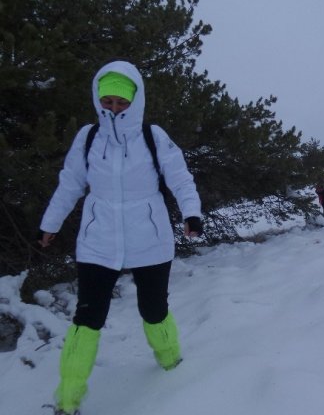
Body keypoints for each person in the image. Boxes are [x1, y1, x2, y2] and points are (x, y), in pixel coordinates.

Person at [37, 60, 203, 415]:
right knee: (87, 317)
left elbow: (181, 178)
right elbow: (70, 184)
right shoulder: (88, 137)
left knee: (154, 309)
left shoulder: (152, 136)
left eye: (121, 101)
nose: (113, 107)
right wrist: (50, 223)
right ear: (98, 99)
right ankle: (67, 400)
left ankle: (173, 366)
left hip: (151, 239)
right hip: (98, 240)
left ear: (136, 100)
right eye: (107, 100)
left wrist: (192, 213)